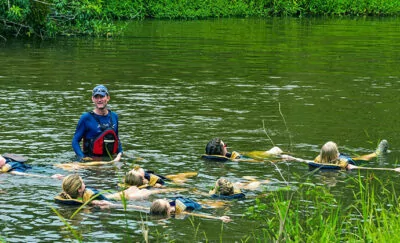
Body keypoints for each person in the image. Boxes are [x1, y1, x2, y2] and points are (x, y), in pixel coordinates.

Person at [55, 174, 177, 207]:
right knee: (145, 192)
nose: (85, 183)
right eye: (82, 182)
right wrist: (139, 208)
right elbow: (109, 203)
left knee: (133, 189)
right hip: (120, 198)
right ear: (79, 189)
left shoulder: (68, 197)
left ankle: (164, 189)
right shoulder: (91, 199)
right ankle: (168, 189)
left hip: (114, 195)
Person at [72, 85, 123, 162]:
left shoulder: (114, 116)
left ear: (108, 98)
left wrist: (120, 153)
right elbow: (75, 141)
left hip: (111, 160)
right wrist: (82, 158)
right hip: (92, 160)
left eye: (102, 97)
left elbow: (117, 139)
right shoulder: (86, 118)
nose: (99, 100)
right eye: (96, 97)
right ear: (93, 99)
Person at [310, 139, 388, 170]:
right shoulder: (344, 164)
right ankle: (378, 153)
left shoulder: (318, 161)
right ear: (336, 154)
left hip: (339, 160)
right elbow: (357, 167)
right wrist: (393, 169)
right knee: (366, 157)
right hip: (352, 161)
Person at [202, 137, 290, 162]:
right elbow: (255, 160)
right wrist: (279, 159)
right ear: (223, 149)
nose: (226, 147)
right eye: (225, 145)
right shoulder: (236, 159)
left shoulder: (210, 160)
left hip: (249, 154)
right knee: (276, 149)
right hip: (254, 155)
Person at [149, 198, 231, 222]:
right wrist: (219, 218)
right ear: (168, 211)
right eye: (167, 203)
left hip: (190, 200)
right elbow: (201, 215)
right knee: (222, 204)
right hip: (202, 206)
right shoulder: (180, 212)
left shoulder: (157, 209)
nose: (167, 200)